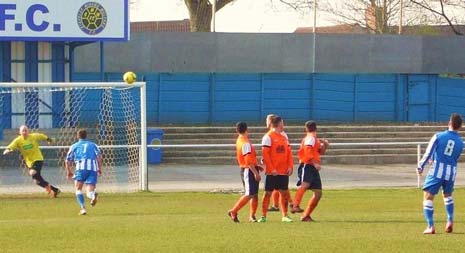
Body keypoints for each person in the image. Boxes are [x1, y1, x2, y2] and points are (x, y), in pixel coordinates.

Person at [417, 113, 463, 234]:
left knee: (428, 196)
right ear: (460, 126)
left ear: (449, 123)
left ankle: (430, 226)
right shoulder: (460, 142)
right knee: (447, 195)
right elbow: (455, 156)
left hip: (437, 171)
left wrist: (420, 165)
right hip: (451, 172)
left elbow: (428, 153)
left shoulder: (438, 136)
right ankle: (449, 220)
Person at [3, 125, 60, 197]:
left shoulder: (33, 136)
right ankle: (55, 190)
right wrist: (7, 150)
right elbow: (11, 146)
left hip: (38, 159)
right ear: (20, 132)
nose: (24, 132)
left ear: (28, 131)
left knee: (32, 172)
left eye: (26, 130)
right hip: (29, 162)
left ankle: (47, 186)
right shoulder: (18, 140)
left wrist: (48, 139)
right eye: (23, 131)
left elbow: (41, 136)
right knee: (37, 181)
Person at [291, 121, 329, 221]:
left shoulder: (314, 139)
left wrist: (325, 145)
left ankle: (305, 215)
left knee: (318, 193)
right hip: (307, 165)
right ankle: (295, 205)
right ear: (316, 128)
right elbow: (308, 151)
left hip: (312, 167)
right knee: (305, 185)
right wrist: (315, 163)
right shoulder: (310, 138)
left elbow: (320, 152)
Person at [258, 116, 294, 223]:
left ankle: (285, 216)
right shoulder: (268, 137)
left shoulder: (284, 137)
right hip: (272, 172)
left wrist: (290, 166)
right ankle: (263, 216)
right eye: (282, 123)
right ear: (278, 124)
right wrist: (271, 168)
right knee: (267, 193)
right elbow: (265, 154)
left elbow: (289, 153)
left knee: (284, 193)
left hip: (283, 171)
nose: (283, 125)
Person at [228, 122, 261, 223]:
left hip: (249, 168)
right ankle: (234, 211)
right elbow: (247, 160)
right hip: (248, 170)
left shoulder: (240, 140)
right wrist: (255, 172)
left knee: (254, 194)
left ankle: (252, 216)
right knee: (249, 194)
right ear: (247, 129)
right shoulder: (245, 142)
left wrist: (256, 166)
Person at [65, 129, 103, 215]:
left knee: (78, 189)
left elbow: (67, 160)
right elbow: (99, 156)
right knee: (89, 191)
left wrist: (69, 171)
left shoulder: (74, 146)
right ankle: (93, 196)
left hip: (81, 168)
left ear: (78, 136)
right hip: (93, 169)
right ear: (86, 136)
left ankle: (83, 208)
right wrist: (99, 168)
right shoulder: (93, 145)